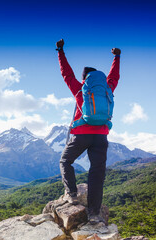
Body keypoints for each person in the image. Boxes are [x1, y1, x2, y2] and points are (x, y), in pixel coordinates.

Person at [55, 39, 121, 224]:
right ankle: (94, 214)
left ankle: (72, 194)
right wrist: (117, 56)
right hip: (101, 136)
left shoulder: (80, 90)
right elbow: (115, 76)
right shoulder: (107, 88)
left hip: (81, 133)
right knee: (97, 173)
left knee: (65, 160)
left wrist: (60, 51)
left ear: (84, 78)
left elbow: (65, 73)